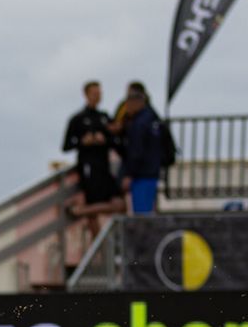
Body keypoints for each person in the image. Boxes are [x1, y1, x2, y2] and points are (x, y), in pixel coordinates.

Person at [64, 80, 126, 236]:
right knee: (93, 211)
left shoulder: (104, 117)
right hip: (88, 168)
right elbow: (66, 146)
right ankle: (100, 251)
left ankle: (79, 211)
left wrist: (105, 139)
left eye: (99, 93)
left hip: (104, 166)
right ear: (86, 95)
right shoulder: (77, 119)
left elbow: (116, 142)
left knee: (119, 204)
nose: (98, 96)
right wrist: (83, 142)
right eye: (94, 93)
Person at [120, 84, 170, 215]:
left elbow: (137, 151)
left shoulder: (140, 123)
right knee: (147, 211)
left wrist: (129, 173)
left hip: (142, 175)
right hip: (151, 171)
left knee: (142, 216)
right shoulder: (153, 118)